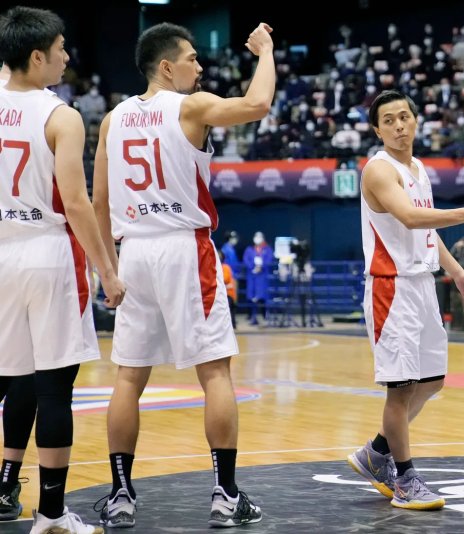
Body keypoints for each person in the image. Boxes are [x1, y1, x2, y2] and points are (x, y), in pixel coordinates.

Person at [92, 21, 275, 528]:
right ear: (167, 66)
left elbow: (101, 202)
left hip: (133, 252)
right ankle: (225, 494)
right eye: (193, 59)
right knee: (214, 371)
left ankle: (122, 496)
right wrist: (265, 53)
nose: (200, 66)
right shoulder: (189, 106)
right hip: (184, 247)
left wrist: (106, 269)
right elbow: (257, 105)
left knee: (129, 377)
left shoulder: (113, 119)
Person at [346, 90, 464, 511]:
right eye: (389, 120)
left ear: (416, 122)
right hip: (391, 287)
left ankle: (375, 453)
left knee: (432, 380)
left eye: (404, 117)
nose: (399, 125)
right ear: (377, 129)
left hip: (421, 284)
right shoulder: (378, 170)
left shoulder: (418, 167)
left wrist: (456, 273)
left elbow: (426, 234)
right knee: (399, 393)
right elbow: (411, 217)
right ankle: (404, 478)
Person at [0, 6, 125, 533]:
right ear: (37, 56)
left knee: (13, 383)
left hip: (3, 252)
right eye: (60, 48)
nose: (68, 56)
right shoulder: (61, 116)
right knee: (54, 390)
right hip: (49, 255)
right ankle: (51, 514)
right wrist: (110, 273)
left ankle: (13, 485)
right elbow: (75, 202)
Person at [0, 62, 37, 524]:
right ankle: (7, 483)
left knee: (21, 376)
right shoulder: (41, 106)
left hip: (16, 246)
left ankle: (8, 481)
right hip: (26, 246)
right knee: (24, 376)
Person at [243, 231, 273, 325]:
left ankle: (265, 314)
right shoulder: (249, 249)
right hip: (252, 276)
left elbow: (269, 259)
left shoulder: (267, 249)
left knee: (263, 296)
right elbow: (246, 259)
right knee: (251, 296)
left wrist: (261, 267)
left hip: (262, 276)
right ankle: (252, 316)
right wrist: (253, 267)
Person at [219, 246, 238, 330]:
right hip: (221, 292)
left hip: (228, 294)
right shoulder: (215, 267)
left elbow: (224, 279)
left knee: (228, 307)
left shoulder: (226, 267)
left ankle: (231, 325)